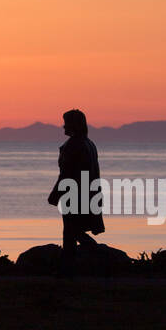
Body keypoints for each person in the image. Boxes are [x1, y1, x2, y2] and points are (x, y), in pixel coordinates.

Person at [47, 108, 105, 269]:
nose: (63, 127)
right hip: (88, 193)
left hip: (75, 195)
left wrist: (55, 194)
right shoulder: (88, 143)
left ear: (73, 125)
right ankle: (74, 264)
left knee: (71, 232)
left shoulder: (75, 145)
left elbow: (67, 173)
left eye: (66, 123)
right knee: (74, 231)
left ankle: (70, 267)